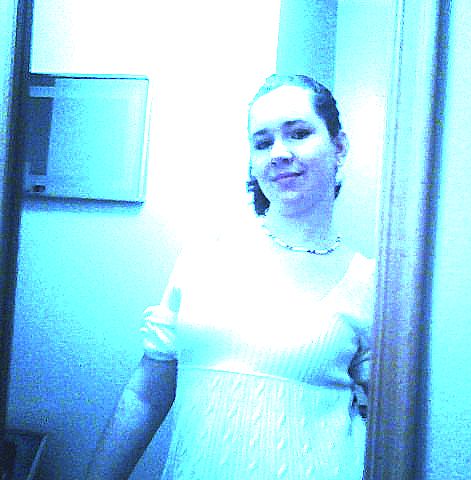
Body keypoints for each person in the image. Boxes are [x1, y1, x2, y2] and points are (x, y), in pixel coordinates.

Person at [87, 74, 375, 479]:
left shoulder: (368, 283)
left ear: (339, 147)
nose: (279, 153)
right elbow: (145, 397)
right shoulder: (203, 258)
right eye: (263, 142)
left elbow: (390, 421)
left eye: (298, 133)